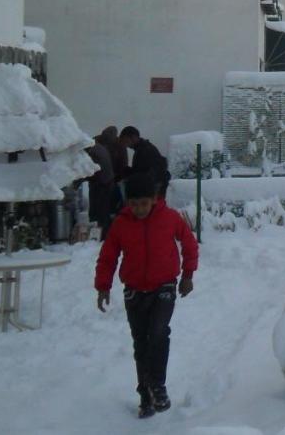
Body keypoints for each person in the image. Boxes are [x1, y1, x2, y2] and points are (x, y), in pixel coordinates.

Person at [94, 172, 198, 418]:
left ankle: (158, 386)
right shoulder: (121, 224)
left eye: (143, 203)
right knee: (141, 342)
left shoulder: (170, 218)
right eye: (133, 204)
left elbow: (189, 244)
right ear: (127, 203)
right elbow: (108, 256)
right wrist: (103, 285)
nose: (139, 209)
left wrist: (188, 275)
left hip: (164, 287)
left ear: (154, 199)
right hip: (134, 291)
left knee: (159, 333)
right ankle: (145, 396)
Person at [120, 126, 170, 198]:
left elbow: (145, 173)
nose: (126, 145)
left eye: (126, 141)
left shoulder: (145, 150)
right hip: (154, 187)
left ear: (134, 137)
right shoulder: (142, 148)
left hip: (153, 189)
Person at [84, 128, 116, 237]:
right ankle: (102, 232)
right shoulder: (97, 146)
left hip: (102, 183)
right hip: (106, 181)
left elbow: (89, 170)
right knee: (103, 210)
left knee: (100, 210)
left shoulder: (93, 149)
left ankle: (100, 234)